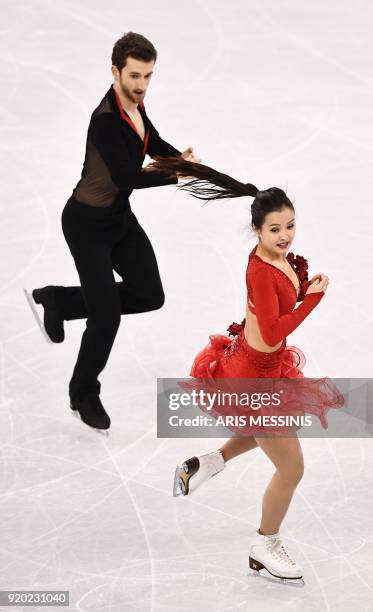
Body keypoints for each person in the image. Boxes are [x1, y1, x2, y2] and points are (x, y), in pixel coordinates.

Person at [146, 154, 344, 585]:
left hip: (259, 366)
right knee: (292, 469)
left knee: (271, 430)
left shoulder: (275, 260)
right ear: (257, 230)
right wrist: (312, 300)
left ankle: (208, 463)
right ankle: (264, 544)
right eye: (275, 229)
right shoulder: (261, 271)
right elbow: (272, 333)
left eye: (290, 225)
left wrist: (301, 287)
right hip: (253, 371)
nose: (285, 235)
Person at [23, 32, 200, 433]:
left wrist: (179, 161)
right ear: (115, 71)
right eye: (134, 75)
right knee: (106, 317)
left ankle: (61, 301)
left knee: (149, 294)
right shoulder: (104, 120)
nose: (141, 85)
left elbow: (151, 140)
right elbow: (125, 176)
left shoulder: (135, 107)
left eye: (148, 76)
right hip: (86, 224)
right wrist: (174, 175)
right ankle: (82, 392)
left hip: (119, 220)